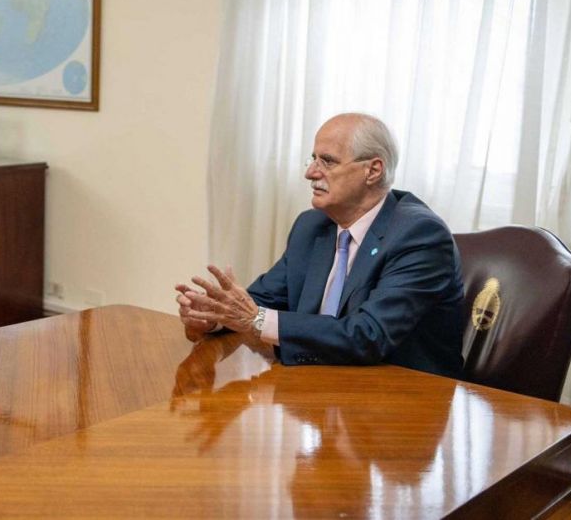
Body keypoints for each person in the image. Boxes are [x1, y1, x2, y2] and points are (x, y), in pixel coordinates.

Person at [175, 113, 464, 377]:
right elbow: (258, 303)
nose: (310, 173)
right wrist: (212, 316)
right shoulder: (312, 226)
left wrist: (253, 318)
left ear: (373, 170)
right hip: (322, 389)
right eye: (312, 159)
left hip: (402, 400)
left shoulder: (419, 235)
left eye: (327, 161)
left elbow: (369, 335)